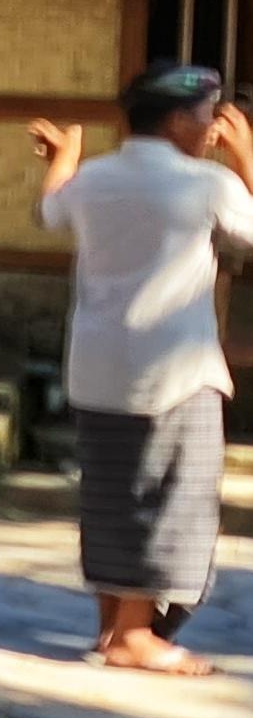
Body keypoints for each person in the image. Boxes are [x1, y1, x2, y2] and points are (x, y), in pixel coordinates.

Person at [32, 63, 253, 675]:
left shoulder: (94, 179)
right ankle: (135, 635)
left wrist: (66, 157)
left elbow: (50, 211)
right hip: (174, 374)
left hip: (99, 367)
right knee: (172, 500)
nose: (213, 130)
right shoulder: (207, 184)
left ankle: (112, 628)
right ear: (179, 121)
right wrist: (246, 159)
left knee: (111, 497)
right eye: (207, 118)